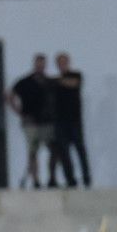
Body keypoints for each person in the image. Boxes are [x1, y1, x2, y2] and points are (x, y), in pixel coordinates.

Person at [7, 53, 55, 189]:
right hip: (30, 122)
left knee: (53, 149)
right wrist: (19, 112)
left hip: (47, 122)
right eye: (38, 63)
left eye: (43, 63)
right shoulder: (24, 82)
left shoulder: (50, 82)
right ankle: (36, 180)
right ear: (34, 64)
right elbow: (10, 96)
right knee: (33, 151)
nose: (40, 66)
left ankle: (52, 178)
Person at [48, 52, 90, 188]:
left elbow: (73, 83)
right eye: (59, 62)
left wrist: (57, 80)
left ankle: (86, 177)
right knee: (64, 152)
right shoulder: (53, 82)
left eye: (64, 61)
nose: (62, 64)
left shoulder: (75, 75)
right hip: (59, 121)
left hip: (74, 120)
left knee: (80, 149)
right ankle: (70, 179)